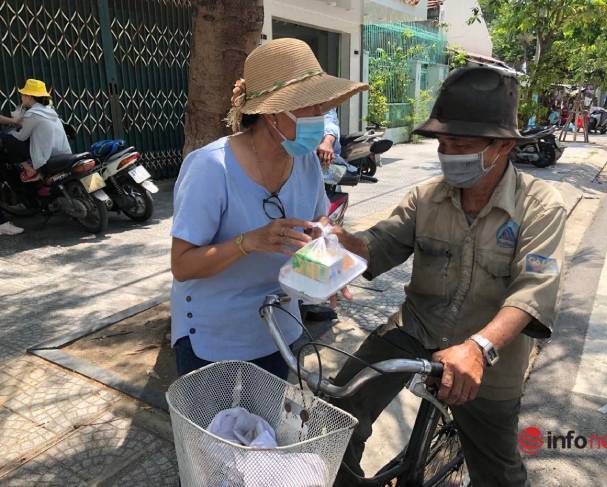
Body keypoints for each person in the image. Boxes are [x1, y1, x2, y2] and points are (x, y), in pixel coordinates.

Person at [328, 67, 566, 486]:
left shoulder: (541, 206)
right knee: (333, 416)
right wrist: (339, 241)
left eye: (461, 143)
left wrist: (478, 349)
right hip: (416, 328)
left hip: (490, 356)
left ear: (504, 146)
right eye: (442, 142)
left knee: (499, 474)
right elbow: (379, 244)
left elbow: (534, 290)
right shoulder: (426, 197)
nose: (448, 152)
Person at [169, 38, 367, 378]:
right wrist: (248, 242)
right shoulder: (211, 168)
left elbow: (317, 222)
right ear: (273, 113)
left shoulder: (304, 161)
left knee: (267, 426)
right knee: (215, 431)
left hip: (279, 330)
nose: (320, 119)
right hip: (214, 340)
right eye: (310, 108)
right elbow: (182, 265)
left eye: (322, 108)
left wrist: (325, 263)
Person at [0, 79, 71, 182]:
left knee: (8, 139)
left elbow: (21, 137)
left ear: (29, 97)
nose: (21, 97)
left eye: (23, 95)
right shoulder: (49, 111)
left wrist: (11, 132)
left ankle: (29, 169)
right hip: (61, 151)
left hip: (46, 156)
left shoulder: (33, 113)